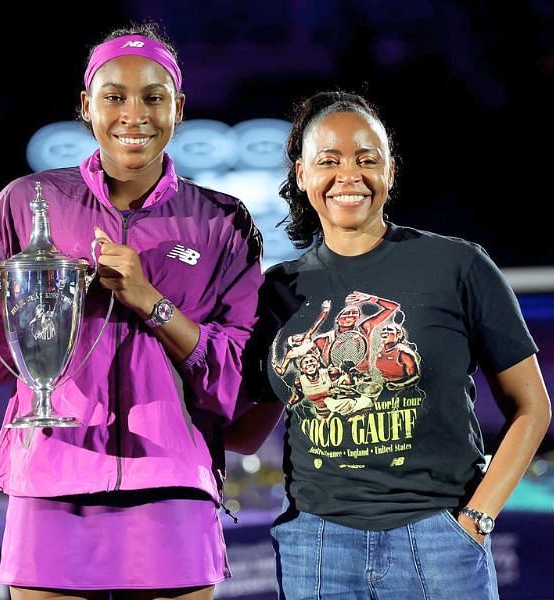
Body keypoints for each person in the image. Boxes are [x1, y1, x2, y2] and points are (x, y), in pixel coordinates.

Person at [0, 23, 263, 600]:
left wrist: (151, 301)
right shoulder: (25, 203)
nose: (133, 114)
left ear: (178, 107)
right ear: (85, 106)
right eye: (113, 96)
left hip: (172, 483)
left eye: (153, 97)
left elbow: (234, 380)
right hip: (53, 474)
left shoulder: (223, 221)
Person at [229, 91, 551, 599]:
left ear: (391, 170)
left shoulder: (457, 265)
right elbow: (256, 423)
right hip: (318, 547)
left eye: (366, 159)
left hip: (439, 538)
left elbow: (532, 408)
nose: (348, 176)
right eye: (328, 161)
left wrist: (477, 518)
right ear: (302, 174)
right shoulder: (278, 290)